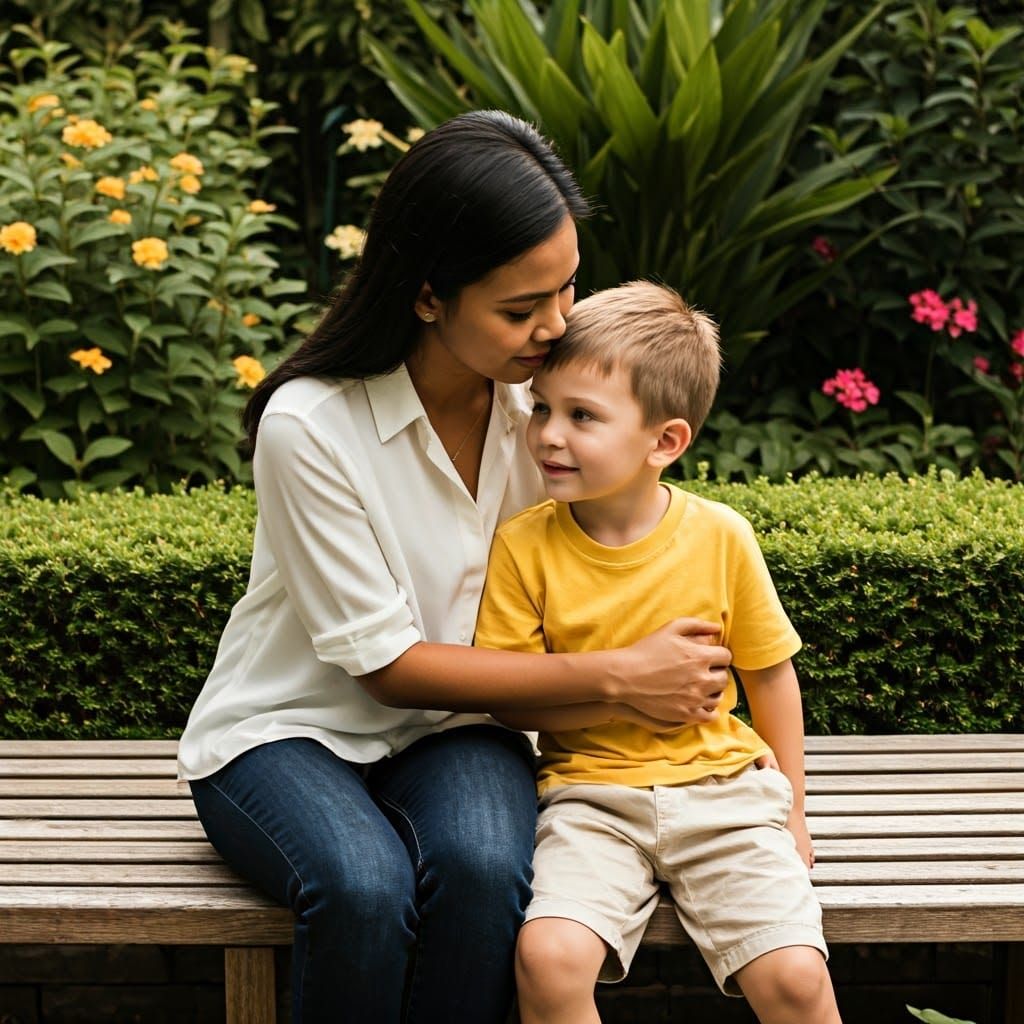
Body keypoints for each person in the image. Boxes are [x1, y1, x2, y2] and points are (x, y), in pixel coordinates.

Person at [177, 112, 732, 1024]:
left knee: (482, 874)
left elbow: (637, 535)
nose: (555, 328)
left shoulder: (549, 413)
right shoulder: (310, 427)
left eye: (566, 292)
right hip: (285, 730)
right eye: (521, 309)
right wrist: (619, 678)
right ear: (428, 295)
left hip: (465, 727)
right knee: (361, 886)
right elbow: (387, 667)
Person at [474, 281, 841, 1024]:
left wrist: (794, 812)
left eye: (583, 416)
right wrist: (620, 690)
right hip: (588, 800)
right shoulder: (522, 545)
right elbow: (510, 695)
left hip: (725, 796)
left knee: (798, 978)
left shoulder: (721, 538)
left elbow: (770, 675)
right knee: (546, 959)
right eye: (542, 407)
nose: (548, 433)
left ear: (665, 441)